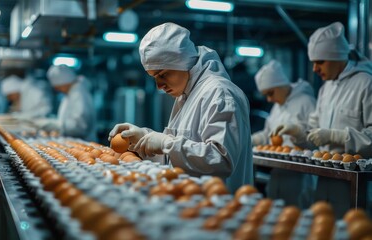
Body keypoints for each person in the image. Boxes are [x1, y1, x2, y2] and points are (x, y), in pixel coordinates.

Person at [108, 22, 253, 192]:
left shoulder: (220, 93)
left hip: (220, 207)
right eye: (154, 77)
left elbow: (221, 160)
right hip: (191, 203)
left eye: (162, 74)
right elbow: (181, 157)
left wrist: (165, 143)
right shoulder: (186, 94)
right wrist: (144, 137)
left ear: (182, 62)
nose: (159, 86)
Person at [272, 22, 372, 217]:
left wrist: (338, 136)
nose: (315, 69)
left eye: (320, 61)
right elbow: (314, 133)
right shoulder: (326, 89)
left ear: (337, 57)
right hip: (324, 178)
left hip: (355, 186)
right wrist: (298, 132)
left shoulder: (365, 84)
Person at [252, 60, 316, 206]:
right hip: (278, 172)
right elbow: (268, 134)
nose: (269, 99)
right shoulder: (277, 107)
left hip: (300, 176)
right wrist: (253, 140)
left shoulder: (306, 102)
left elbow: (316, 141)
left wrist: (298, 134)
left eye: (270, 93)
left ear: (281, 84)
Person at [44, 65, 97, 140]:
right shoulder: (70, 93)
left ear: (65, 82)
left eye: (58, 87)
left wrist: (58, 125)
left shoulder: (79, 93)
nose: (57, 90)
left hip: (84, 143)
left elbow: (80, 127)